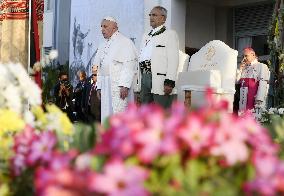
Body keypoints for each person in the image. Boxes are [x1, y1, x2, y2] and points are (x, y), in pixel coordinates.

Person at [93, 16, 137, 121]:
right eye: (101, 26)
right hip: (105, 84)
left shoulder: (125, 42)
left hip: (118, 85)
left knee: (119, 114)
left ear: (114, 28)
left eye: (105, 26)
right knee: (106, 115)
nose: (102, 29)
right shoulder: (102, 44)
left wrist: (125, 85)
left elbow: (129, 64)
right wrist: (99, 86)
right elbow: (98, 66)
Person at [138, 6, 179, 109]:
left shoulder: (170, 34)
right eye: (150, 15)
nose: (151, 17)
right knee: (145, 111)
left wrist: (169, 82)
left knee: (162, 112)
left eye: (155, 15)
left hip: (159, 79)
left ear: (163, 18)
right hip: (145, 76)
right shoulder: (145, 36)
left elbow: (173, 60)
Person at [236, 47, 270, 112]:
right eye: (243, 56)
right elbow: (237, 82)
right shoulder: (244, 68)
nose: (244, 58)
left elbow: (263, 84)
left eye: (246, 56)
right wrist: (240, 70)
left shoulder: (261, 66)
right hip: (243, 101)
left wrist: (259, 100)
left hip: (255, 101)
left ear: (253, 54)